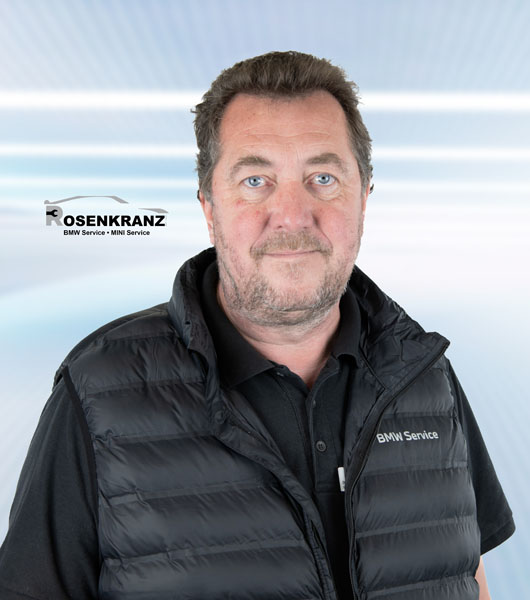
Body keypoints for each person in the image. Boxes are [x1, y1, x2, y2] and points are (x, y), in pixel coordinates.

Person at [0, 51, 515, 600]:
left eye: (323, 178)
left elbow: (468, 577)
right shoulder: (99, 391)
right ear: (209, 206)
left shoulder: (425, 376)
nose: (291, 214)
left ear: (364, 198)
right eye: (255, 180)